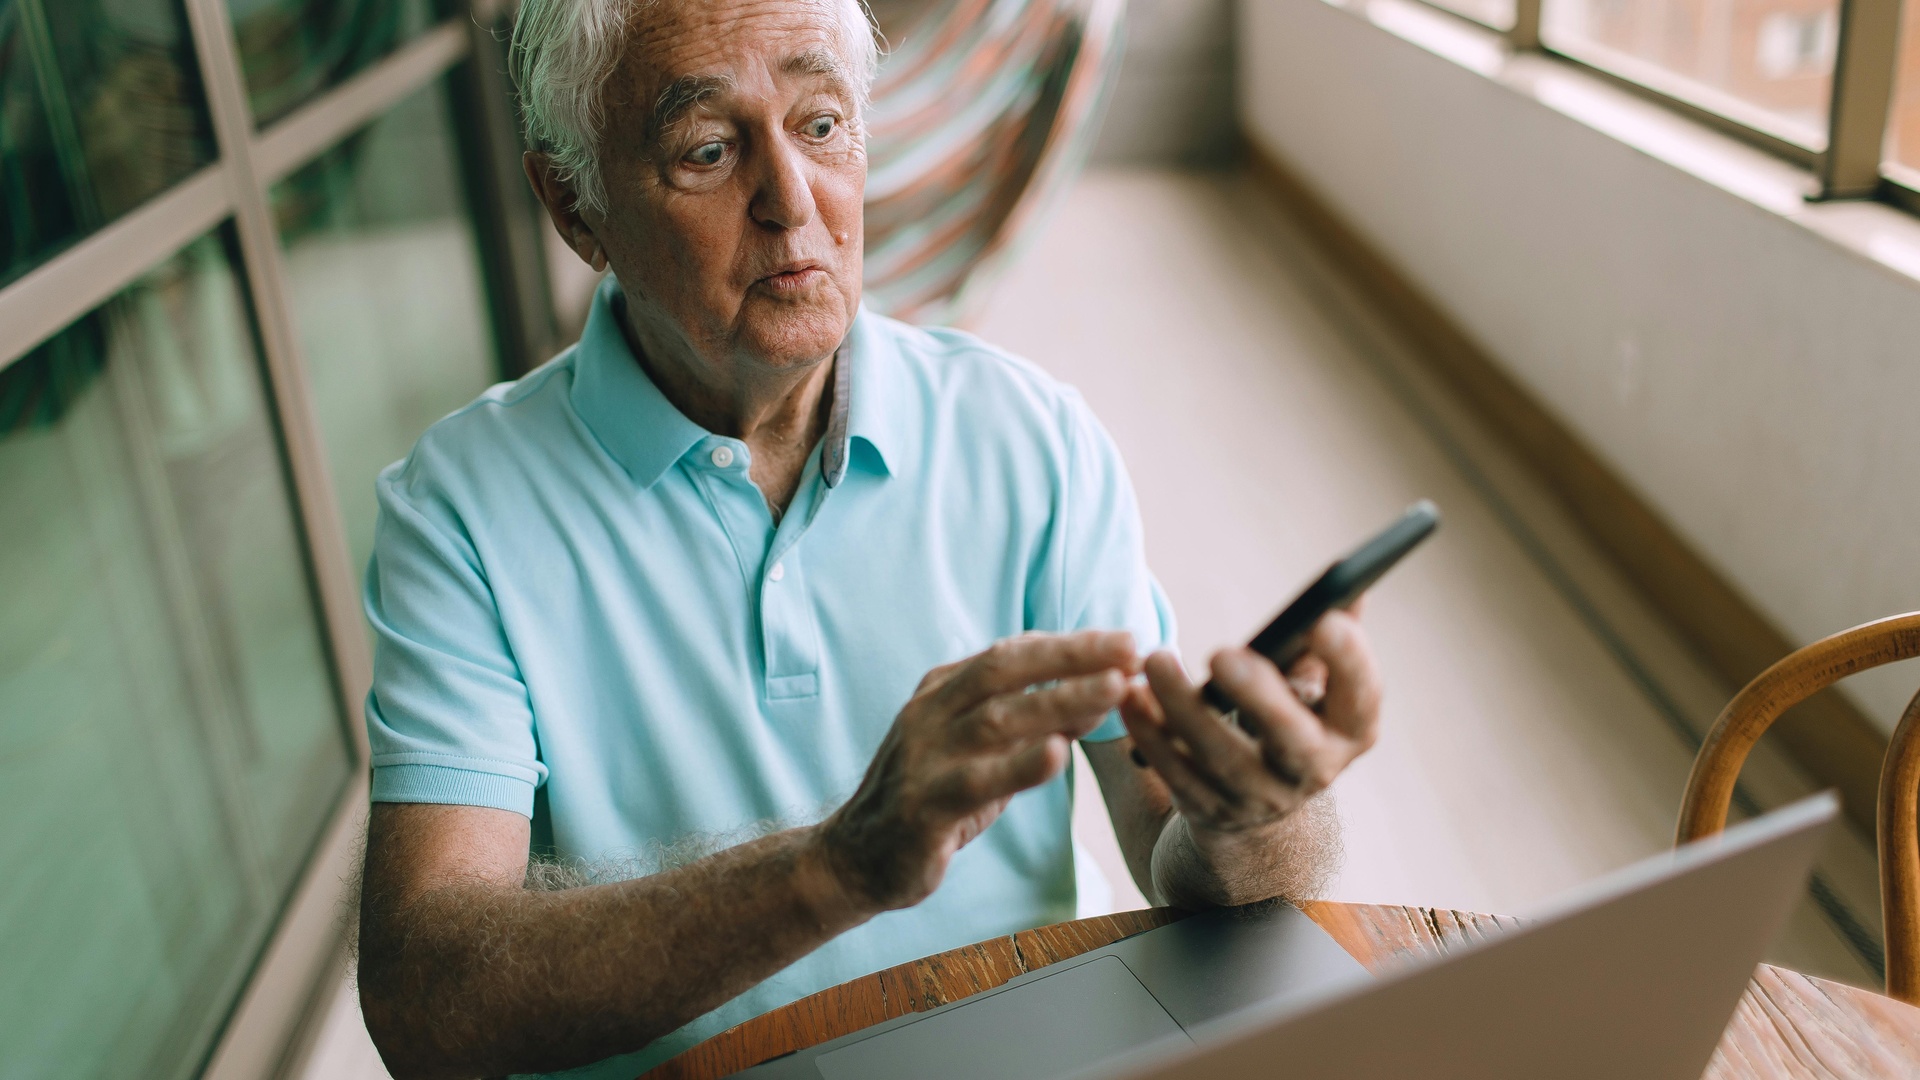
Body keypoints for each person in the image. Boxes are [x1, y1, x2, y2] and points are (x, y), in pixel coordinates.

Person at [353, 1, 1383, 1077]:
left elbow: (1178, 847)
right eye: (708, 150)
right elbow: (427, 997)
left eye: (823, 126)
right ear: (576, 206)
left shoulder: (1029, 437)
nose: (791, 202)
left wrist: (1259, 815)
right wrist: (837, 869)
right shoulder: (460, 507)